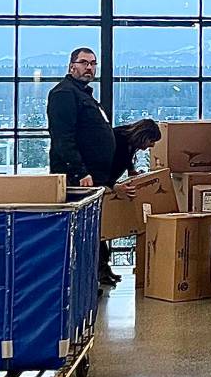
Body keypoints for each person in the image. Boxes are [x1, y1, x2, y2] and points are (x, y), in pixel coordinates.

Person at [47, 47, 119, 285]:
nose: (89, 68)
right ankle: (80, 282)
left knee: (93, 229)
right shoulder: (64, 94)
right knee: (80, 231)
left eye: (93, 63)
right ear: (71, 66)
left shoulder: (85, 95)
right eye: (84, 63)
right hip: (78, 178)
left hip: (94, 177)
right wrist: (80, 171)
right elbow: (63, 138)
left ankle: (96, 275)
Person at [99, 119, 163, 285]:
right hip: (100, 183)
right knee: (100, 231)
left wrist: (132, 171)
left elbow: (126, 158)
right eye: (151, 141)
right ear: (143, 136)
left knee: (102, 231)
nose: (151, 146)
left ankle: (104, 269)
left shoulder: (129, 140)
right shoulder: (117, 139)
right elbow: (100, 166)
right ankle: (101, 270)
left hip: (108, 182)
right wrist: (114, 185)